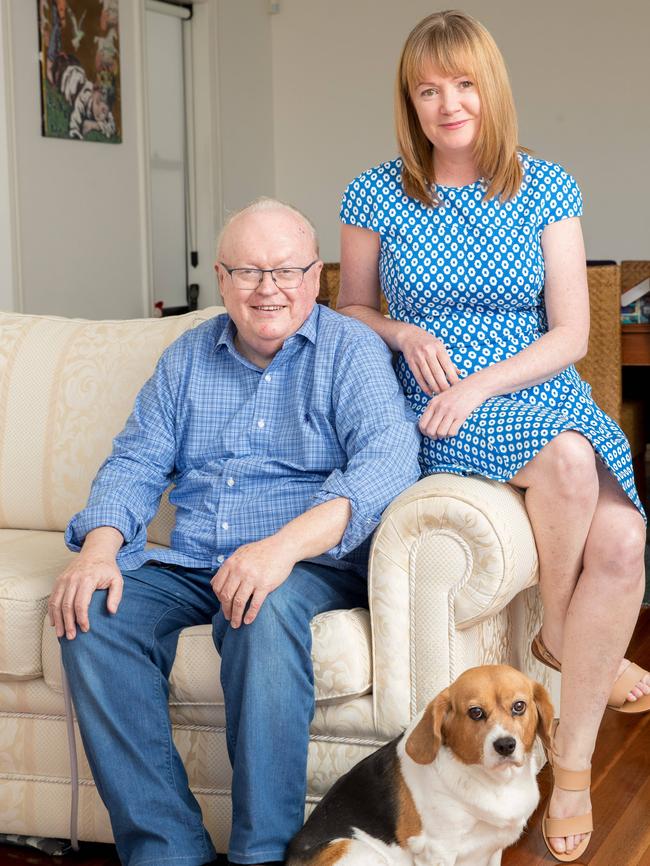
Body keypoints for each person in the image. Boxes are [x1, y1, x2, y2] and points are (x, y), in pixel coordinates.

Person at [338, 11, 648, 863]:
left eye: (464, 84)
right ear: (411, 98)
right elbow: (352, 309)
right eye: (428, 89)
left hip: (532, 387)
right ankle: (559, 629)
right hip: (435, 404)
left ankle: (574, 765)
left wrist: (487, 381)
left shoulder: (546, 186)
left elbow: (572, 334)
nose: (447, 104)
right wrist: (403, 335)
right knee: (570, 459)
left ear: (491, 88)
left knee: (624, 541)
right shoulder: (375, 192)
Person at [49, 198, 421, 866]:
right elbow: (136, 460)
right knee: (90, 615)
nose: (267, 289)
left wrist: (279, 550)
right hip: (193, 558)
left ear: (315, 277)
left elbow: (387, 465)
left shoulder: (352, 351)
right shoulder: (187, 356)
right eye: (248, 272)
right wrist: (99, 549)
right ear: (221, 279)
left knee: (260, 607)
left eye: (285, 271)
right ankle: (168, 851)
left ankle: (263, 856)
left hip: (306, 561)